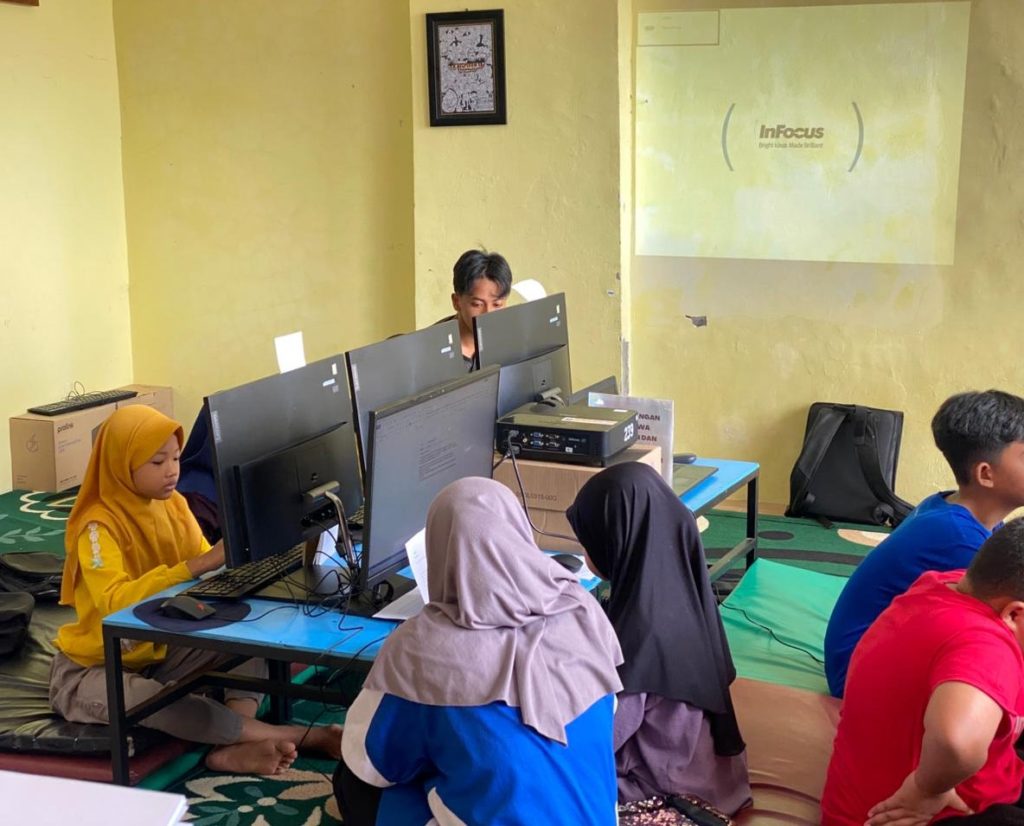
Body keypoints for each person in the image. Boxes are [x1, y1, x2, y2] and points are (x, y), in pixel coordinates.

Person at [49, 405, 341, 775]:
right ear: (123, 464)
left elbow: (208, 568)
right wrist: (195, 566)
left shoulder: (172, 504)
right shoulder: (97, 526)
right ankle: (303, 736)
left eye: (175, 458)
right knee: (158, 702)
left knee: (253, 630)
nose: (172, 470)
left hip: (160, 647)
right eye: (158, 462)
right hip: (94, 668)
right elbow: (113, 603)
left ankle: (229, 749)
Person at [334, 477, 624, 825]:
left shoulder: (422, 648)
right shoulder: (581, 609)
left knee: (354, 784)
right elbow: (608, 712)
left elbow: (370, 762)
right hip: (597, 817)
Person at [566, 462, 752, 815]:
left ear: (616, 541)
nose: (585, 554)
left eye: (586, 543)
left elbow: (600, 739)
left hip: (669, 795)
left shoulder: (638, 637)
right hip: (717, 779)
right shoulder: (685, 593)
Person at [821, 518, 1024, 826]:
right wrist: (925, 790)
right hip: (924, 813)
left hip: (858, 800)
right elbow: (956, 743)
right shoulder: (986, 647)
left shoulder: (944, 585)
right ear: (1014, 613)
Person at [824, 389, 1024, 698]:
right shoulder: (959, 539)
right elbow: (1007, 629)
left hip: (861, 657)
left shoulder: (953, 507)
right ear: (986, 474)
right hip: (859, 674)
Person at [437, 248, 513, 368]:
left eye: (497, 304)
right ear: (456, 302)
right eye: (477, 304)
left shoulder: (512, 342)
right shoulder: (432, 351)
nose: (488, 314)